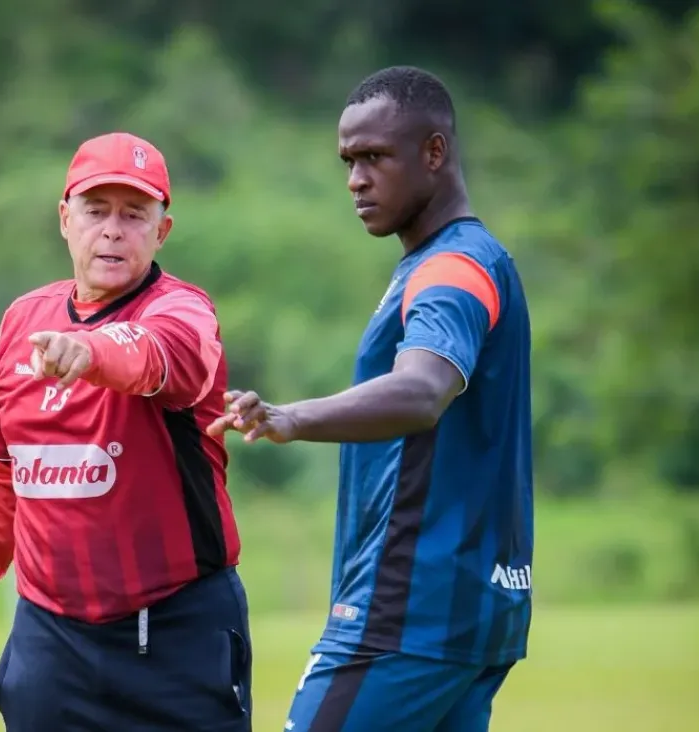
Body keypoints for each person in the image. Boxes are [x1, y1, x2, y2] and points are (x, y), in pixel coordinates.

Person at [208, 66, 533, 732]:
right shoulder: (459, 261)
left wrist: (290, 417)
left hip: (406, 612)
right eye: (348, 161)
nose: (355, 179)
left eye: (374, 157)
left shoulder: (452, 269)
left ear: (434, 153)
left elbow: (421, 392)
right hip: (469, 614)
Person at [0, 132, 252, 732]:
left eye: (134, 215)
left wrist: (91, 350)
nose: (113, 230)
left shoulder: (185, 312)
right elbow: (0, 475)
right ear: (65, 219)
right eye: (96, 211)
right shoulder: (22, 320)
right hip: (51, 640)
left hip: (177, 634)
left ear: (162, 230)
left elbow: (156, 355)